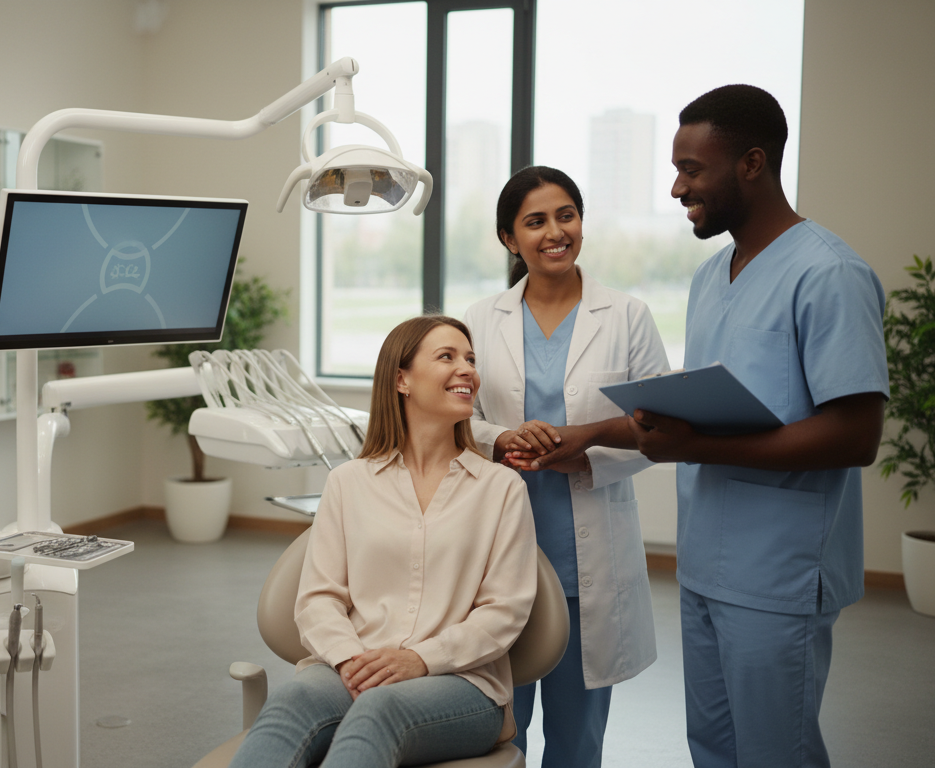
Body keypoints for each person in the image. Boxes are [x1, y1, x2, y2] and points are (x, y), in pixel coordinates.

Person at [632, 85, 888, 767]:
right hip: (706, 559)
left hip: (779, 570)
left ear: (752, 164)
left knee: (777, 754)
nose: (677, 186)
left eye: (692, 169)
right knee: (713, 748)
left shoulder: (829, 273)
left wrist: (697, 444)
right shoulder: (712, 276)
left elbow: (856, 435)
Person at [227, 315, 538, 768]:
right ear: (402, 379)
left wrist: (418, 659)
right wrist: (354, 662)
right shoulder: (348, 483)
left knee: (378, 710)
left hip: (462, 686)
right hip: (350, 666)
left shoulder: (502, 488)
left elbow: (505, 611)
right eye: (447, 357)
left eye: (470, 359)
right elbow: (318, 599)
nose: (467, 369)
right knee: (292, 702)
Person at [462, 166, 669, 768]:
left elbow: (660, 428)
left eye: (566, 216)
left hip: (588, 563)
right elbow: (457, 416)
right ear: (509, 239)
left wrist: (587, 454)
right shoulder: (481, 318)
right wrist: (499, 441)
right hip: (501, 556)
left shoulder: (626, 315)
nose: (554, 232)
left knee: (578, 741)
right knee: (500, 727)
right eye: (535, 222)